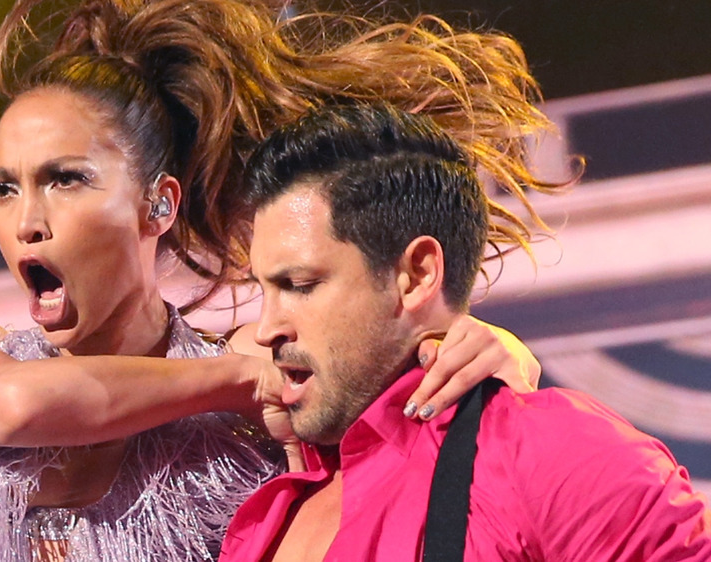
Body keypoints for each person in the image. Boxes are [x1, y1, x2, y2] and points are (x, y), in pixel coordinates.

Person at [0, 0, 562, 560]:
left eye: (65, 179)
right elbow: (15, 409)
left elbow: (409, 411)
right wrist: (240, 383)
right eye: (4, 189)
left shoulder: (253, 373)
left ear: (160, 204)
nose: (26, 221)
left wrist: (500, 352)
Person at [218, 103, 711, 561]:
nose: (267, 328)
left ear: (417, 275)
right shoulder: (270, 504)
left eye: (300, 284)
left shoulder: (549, 451)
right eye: (264, 289)